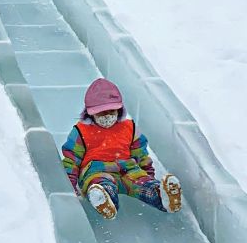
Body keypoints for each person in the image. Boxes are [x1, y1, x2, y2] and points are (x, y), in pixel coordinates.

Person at [61, 78, 182, 220]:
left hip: (129, 169)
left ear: (119, 110)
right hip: (97, 170)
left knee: (142, 184)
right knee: (103, 184)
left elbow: (141, 154)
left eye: (111, 111)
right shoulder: (81, 131)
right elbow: (72, 160)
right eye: (101, 113)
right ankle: (104, 201)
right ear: (90, 113)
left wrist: (148, 176)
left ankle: (163, 197)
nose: (107, 117)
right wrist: (70, 185)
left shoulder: (129, 128)